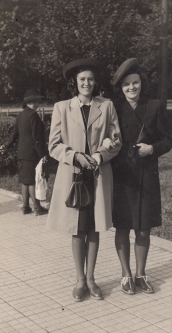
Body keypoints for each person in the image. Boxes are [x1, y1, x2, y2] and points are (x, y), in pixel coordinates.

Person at [46, 58, 121, 302]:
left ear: (95, 82)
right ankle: (79, 279)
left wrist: (100, 155)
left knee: (94, 227)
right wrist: (75, 156)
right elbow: (54, 146)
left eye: (90, 79)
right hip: (73, 176)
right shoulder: (62, 107)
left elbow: (116, 139)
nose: (86, 83)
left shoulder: (106, 106)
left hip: (97, 176)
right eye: (81, 80)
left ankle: (91, 278)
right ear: (74, 83)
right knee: (77, 229)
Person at [107, 58, 172, 295]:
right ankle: (126, 275)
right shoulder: (113, 107)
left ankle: (141, 274)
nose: (131, 88)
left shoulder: (154, 106)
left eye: (135, 83)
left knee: (143, 229)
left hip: (146, 176)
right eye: (126, 85)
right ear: (121, 87)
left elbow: (167, 140)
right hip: (122, 178)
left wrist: (152, 149)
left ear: (141, 83)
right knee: (123, 227)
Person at [2, 89, 48, 216]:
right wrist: (42, 154)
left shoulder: (20, 115)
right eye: (33, 102)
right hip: (32, 154)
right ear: (27, 103)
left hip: (22, 153)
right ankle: (38, 208)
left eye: (36, 101)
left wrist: (5, 146)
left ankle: (26, 207)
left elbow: (14, 134)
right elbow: (36, 138)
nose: (36, 104)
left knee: (25, 180)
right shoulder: (33, 115)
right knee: (32, 180)